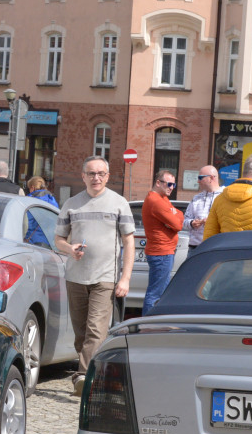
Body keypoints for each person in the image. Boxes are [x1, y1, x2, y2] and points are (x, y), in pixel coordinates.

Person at [54, 156, 135, 396]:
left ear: (108, 176)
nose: (96, 178)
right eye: (91, 173)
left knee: (96, 330)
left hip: (105, 277)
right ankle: (92, 372)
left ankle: (83, 377)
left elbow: (129, 243)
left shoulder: (119, 204)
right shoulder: (71, 204)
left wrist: (125, 278)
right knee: (81, 333)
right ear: (83, 176)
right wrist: (70, 249)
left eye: (101, 173)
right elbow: (58, 240)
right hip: (76, 277)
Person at [141, 170, 184, 315]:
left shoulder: (162, 198)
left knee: (162, 294)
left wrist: (176, 215)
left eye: (174, 184)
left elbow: (179, 214)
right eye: (169, 184)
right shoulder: (156, 201)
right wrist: (174, 218)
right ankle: (146, 327)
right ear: (158, 183)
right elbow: (178, 225)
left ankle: (155, 326)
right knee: (155, 294)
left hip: (164, 252)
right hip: (161, 253)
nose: (172, 187)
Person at [183, 165, 224, 250]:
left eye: (200, 177)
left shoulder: (225, 196)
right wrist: (191, 223)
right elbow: (184, 222)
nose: (198, 181)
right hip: (194, 248)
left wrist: (212, 222)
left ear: (211, 178)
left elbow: (229, 222)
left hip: (215, 247)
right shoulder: (196, 198)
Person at [25, 176, 58, 246]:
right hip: (50, 242)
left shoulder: (30, 200)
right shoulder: (52, 199)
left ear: (32, 187)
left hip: (32, 241)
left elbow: (26, 222)